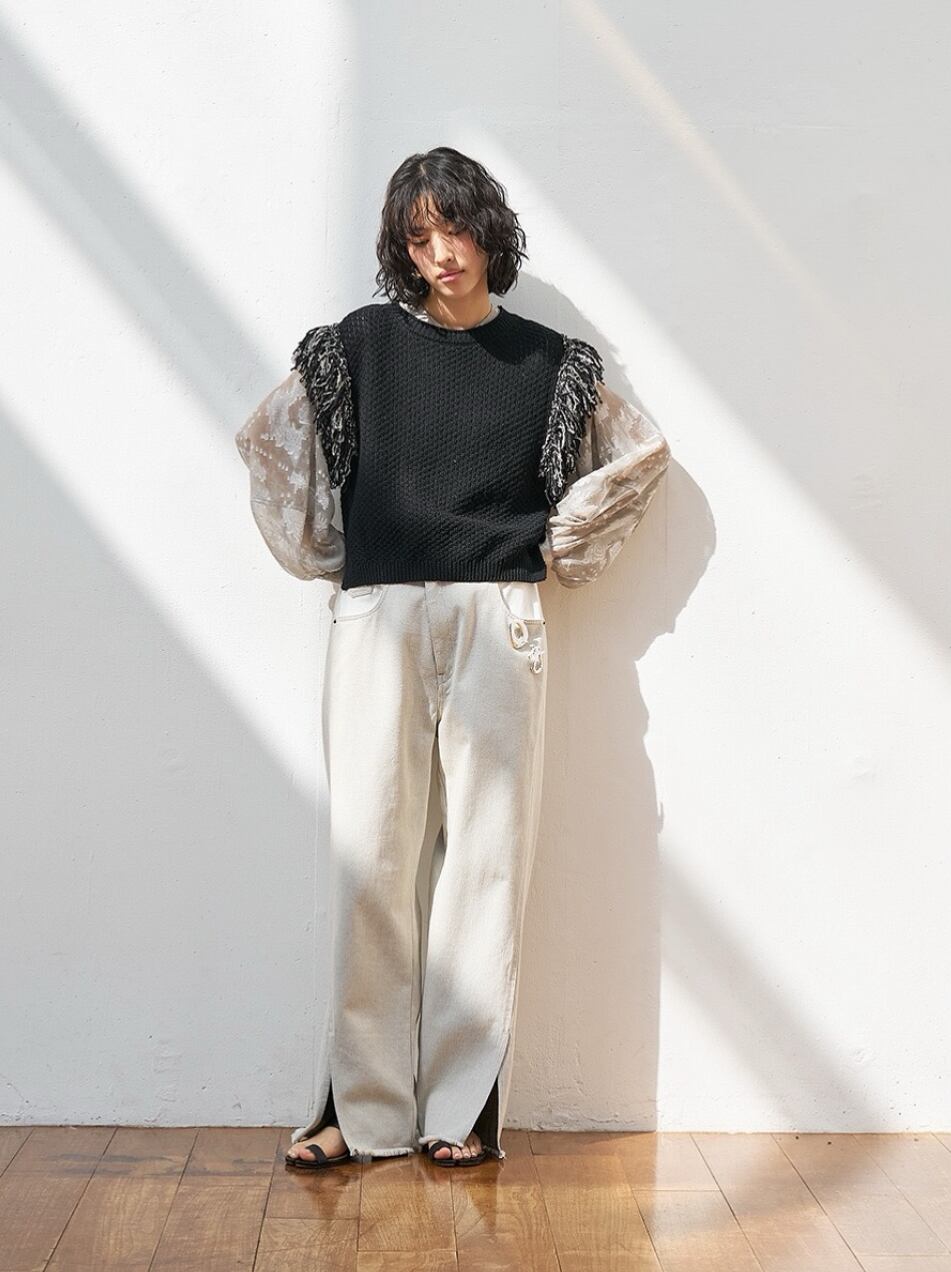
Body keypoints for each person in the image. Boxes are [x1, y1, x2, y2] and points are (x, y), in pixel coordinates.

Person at [235, 146, 671, 1170]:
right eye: (419, 235)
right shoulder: (357, 348)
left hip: (498, 616)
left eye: (455, 227)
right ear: (401, 248)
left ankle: (462, 1109)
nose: (441, 252)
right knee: (371, 862)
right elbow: (268, 440)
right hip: (379, 615)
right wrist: (345, 559)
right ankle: (358, 1109)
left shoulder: (549, 363)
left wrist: (558, 544)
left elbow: (641, 454)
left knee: (485, 862)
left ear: (489, 230)